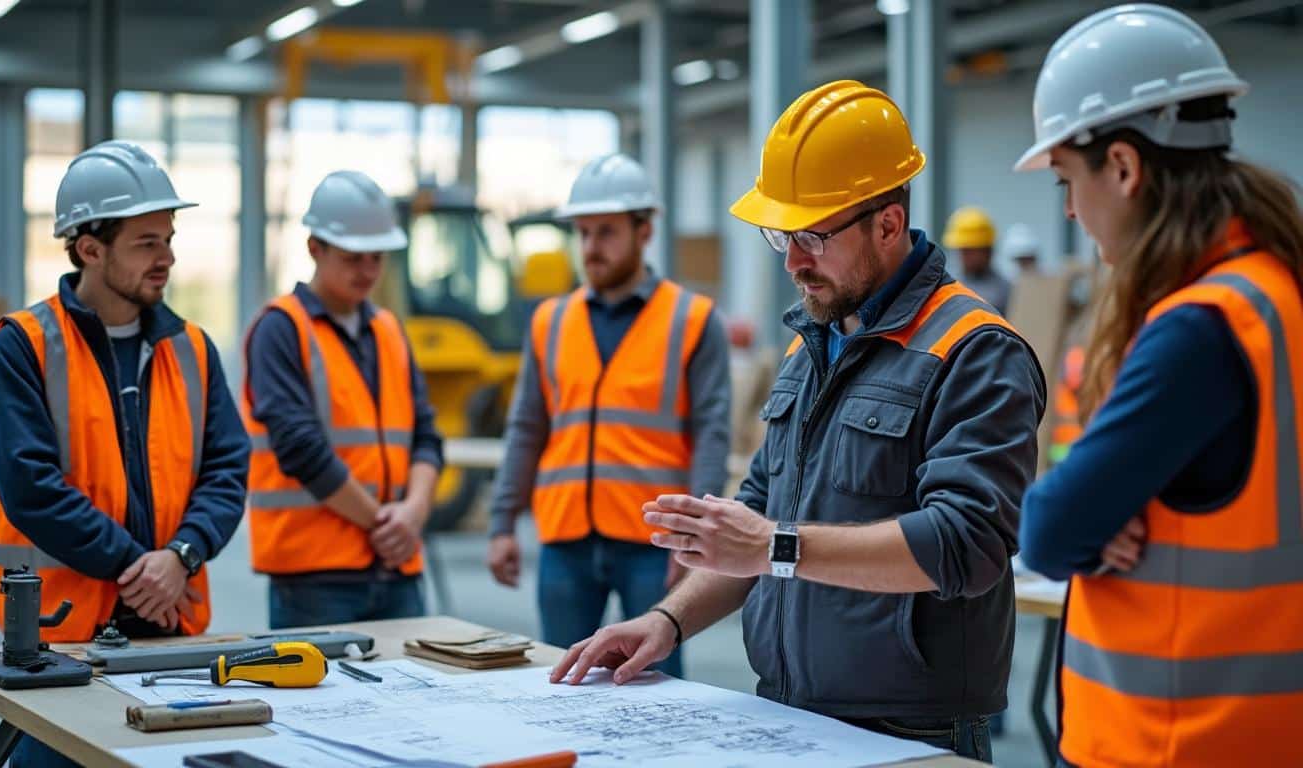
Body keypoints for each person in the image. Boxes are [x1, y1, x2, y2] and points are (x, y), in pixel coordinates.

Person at [550, 81, 1045, 762]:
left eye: (812, 236)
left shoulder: (975, 350)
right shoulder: (810, 344)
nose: (792, 260)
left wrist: (776, 546)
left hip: (912, 732)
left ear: (888, 225)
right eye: (782, 235)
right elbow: (759, 521)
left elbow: (966, 545)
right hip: (788, 710)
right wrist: (668, 620)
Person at [1016, 5, 1303, 765]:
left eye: (1067, 181)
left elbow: (1050, 532)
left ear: (1122, 166)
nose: (1071, 210)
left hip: (1171, 739)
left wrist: (1089, 513)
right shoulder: (1276, 291)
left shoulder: (1199, 329)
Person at [0, 140, 249, 767]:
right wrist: (140, 567)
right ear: (89, 249)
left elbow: (227, 469)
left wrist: (181, 557)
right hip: (58, 641)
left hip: (172, 633)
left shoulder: (193, 348)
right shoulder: (25, 344)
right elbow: (30, 487)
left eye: (169, 239)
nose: (168, 258)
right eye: (147, 243)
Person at [487, 153, 731, 679]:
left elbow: (711, 434)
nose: (591, 247)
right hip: (565, 540)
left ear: (645, 231)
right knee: (560, 682)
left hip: (655, 543)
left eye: (606, 232)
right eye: (583, 233)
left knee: (656, 685)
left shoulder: (692, 319)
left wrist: (695, 537)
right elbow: (526, 427)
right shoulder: (551, 321)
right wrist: (502, 522)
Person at [243, 170, 443, 628]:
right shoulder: (280, 329)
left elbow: (426, 436)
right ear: (315, 247)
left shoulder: (388, 330)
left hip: (397, 568)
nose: (368, 271)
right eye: (353, 258)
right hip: (315, 576)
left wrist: (412, 514)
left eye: (377, 258)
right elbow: (301, 448)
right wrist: (385, 526)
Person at [944, 205, 1012, 313]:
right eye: (963, 250)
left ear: (988, 251)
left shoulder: (1005, 291)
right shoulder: (947, 286)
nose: (965, 257)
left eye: (970, 251)